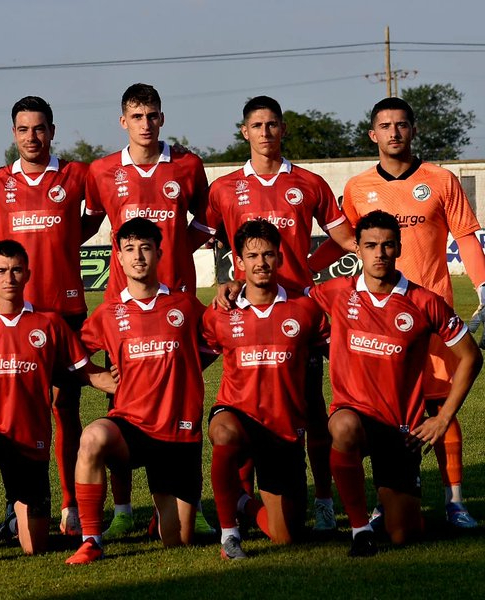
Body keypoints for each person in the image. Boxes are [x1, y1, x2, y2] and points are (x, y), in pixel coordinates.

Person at [340, 97, 485, 528]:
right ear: (372, 134)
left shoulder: (440, 180)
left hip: (430, 319)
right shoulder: (357, 188)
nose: (393, 132)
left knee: (440, 407)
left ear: (413, 130)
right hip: (376, 320)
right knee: (384, 413)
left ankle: (455, 500)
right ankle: (387, 498)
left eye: (401, 124)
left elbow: (466, 238)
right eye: (385, 125)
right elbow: (345, 243)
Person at [202, 95, 357, 531]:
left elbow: (345, 237)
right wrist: (223, 280)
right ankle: (242, 501)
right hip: (247, 311)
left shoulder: (309, 183)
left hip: (297, 316)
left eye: (273, 125)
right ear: (244, 132)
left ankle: (324, 500)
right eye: (257, 125)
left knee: (310, 409)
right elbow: (206, 240)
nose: (265, 133)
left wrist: (312, 269)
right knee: (247, 407)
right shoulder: (225, 188)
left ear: (283, 130)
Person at [308, 210, 482, 556]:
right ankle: (359, 528)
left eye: (388, 245)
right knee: (340, 426)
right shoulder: (336, 292)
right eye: (371, 245)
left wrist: (443, 417)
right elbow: (281, 299)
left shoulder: (424, 302)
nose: (380, 253)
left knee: (404, 534)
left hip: (402, 428)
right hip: (354, 416)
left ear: (400, 248)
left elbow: (470, 357)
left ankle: (389, 505)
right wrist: (234, 287)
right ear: (356, 248)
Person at [84, 83, 213, 537]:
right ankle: (121, 511)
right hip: (124, 311)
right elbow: (85, 223)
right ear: (123, 121)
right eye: (137, 117)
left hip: (176, 306)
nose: (145, 124)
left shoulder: (189, 165)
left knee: (182, 401)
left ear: (162, 118)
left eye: (152, 115)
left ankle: (184, 501)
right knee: (122, 406)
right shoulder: (101, 171)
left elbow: (206, 221)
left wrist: (173, 250)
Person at [0, 240, 115, 566]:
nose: (9, 277)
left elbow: (87, 372)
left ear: (27, 275)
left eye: (16, 270)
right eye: (1, 271)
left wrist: (128, 382)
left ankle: (15, 519)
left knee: (34, 547)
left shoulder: (49, 324)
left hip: (29, 440)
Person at [66, 218, 212, 565]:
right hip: (130, 426)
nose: (138, 256)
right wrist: (94, 376)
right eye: (129, 249)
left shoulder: (186, 306)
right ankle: (91, 539)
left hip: (178, 433)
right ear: (118, 257)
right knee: (92, 437)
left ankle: (161, 518)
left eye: (145, 247)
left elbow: (216, 342)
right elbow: (69, 354)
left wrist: (186, 367)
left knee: (177, 540)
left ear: (159, 253)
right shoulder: (108, 314)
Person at [0, 96, 98, 536]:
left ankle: (71, 504)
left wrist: (70, 234)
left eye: (40, 128)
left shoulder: (76, 175)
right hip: (17, 314)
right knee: (18, 411)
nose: (32, 137)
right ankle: (21, 508)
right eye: (24, 129)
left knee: (66, 407)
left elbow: (101, 213)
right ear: (14, 133)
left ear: (53, 130)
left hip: (65, 310)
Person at [203, 219, 329, 560]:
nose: (261, 262)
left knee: (286, 537)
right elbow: (194, 360)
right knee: (224, 432)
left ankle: (243, 501)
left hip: (284, 431)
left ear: (280, 258)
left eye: (269, 254)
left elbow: (338, 352)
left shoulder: (305, 309)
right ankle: (229, 535)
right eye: (252, 255)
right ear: (238, 263)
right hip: (238, 414)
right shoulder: (219, 313)